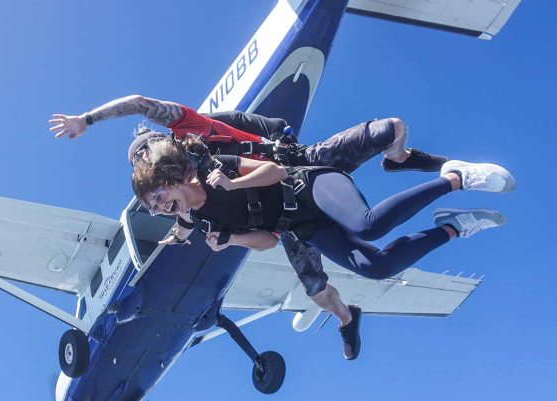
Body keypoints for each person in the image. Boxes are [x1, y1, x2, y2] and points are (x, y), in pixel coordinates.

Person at [48, 95, 452, 360]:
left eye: (144, 154)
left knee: (391, 130)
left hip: (293, 165)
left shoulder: (189, 130)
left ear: (158, 144)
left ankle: (401, 159)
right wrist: (189, 234)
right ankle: (348, 318)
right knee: (318, 290)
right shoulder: (183, 198)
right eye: (138, 163)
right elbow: (196, 222)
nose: (144, 162)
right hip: (284, 217)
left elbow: (152, 105)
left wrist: (87, 119)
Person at [130, 133, 514, 360]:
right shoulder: (202, 222)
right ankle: (452, 228)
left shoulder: (217, 166)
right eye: (154, 208)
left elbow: (276, 171)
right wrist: (231, 239)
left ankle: (457, 178)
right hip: (301, 224)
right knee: (375, 267)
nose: (161, 208)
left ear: (170, 179)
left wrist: (234, 185)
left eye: (159, 197)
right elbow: (266, 241)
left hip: (308, 186)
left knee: (370, 224)